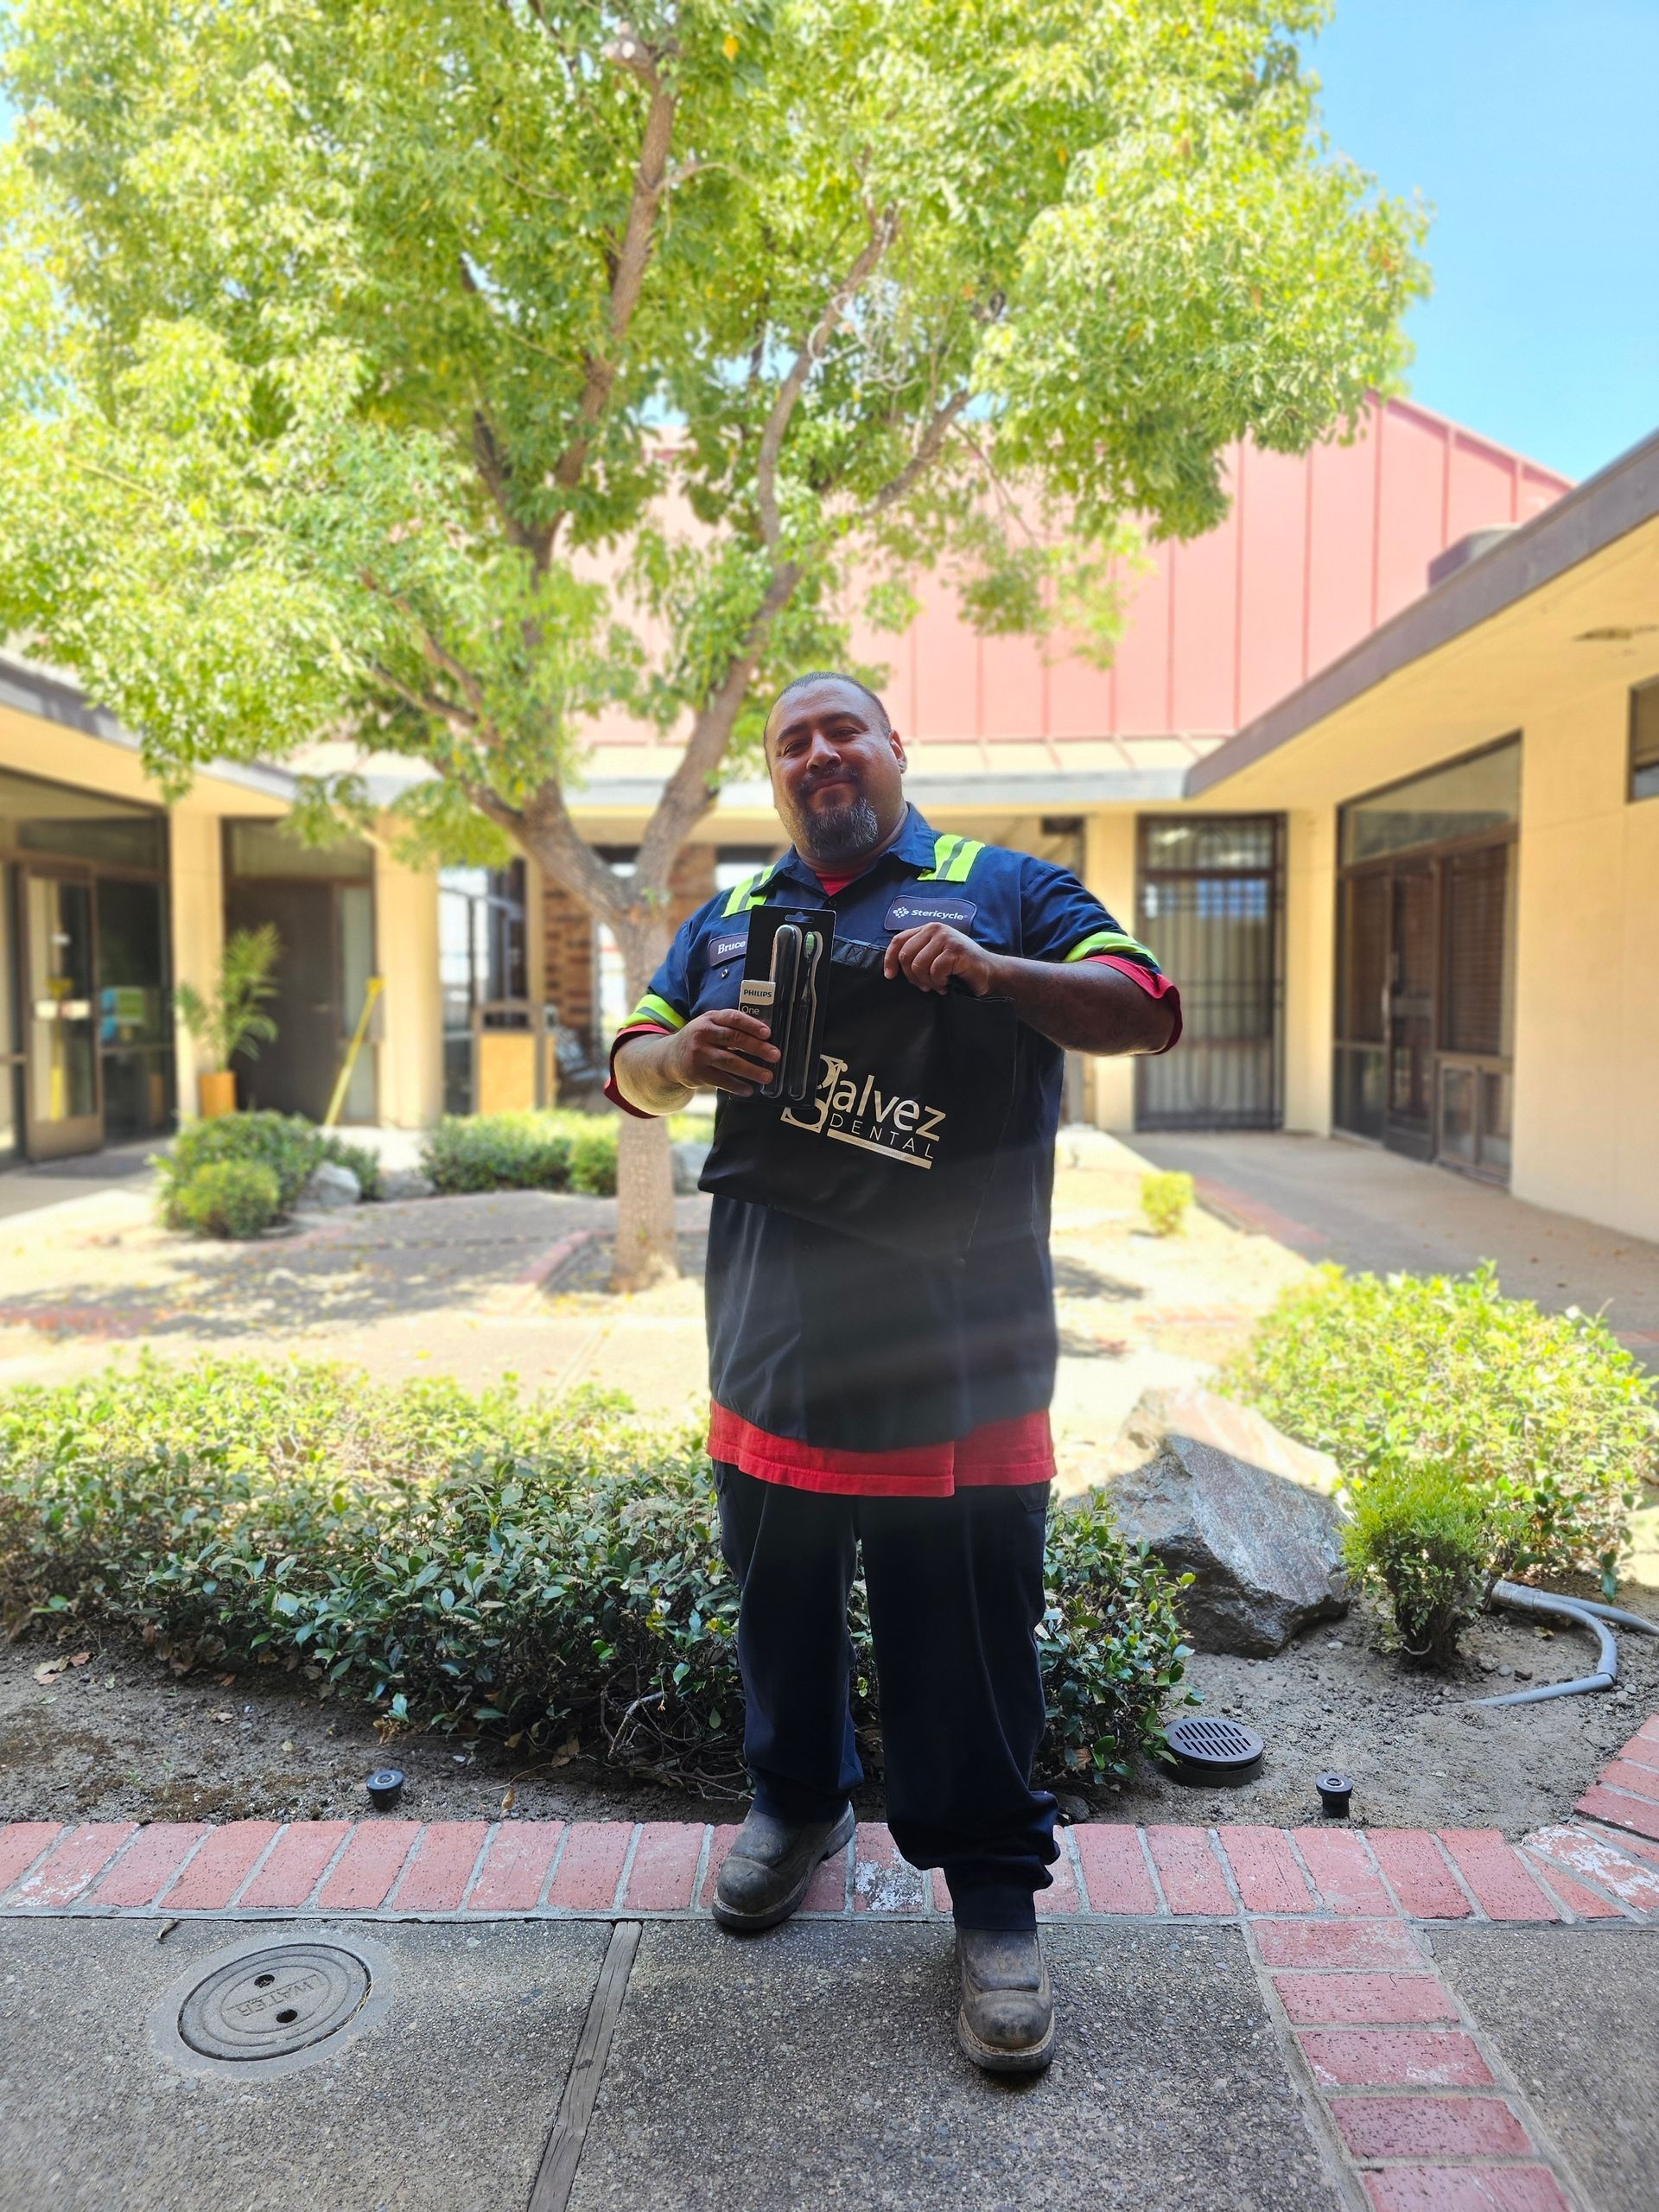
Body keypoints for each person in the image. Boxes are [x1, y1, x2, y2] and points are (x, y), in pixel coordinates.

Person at [608, 671, 1180, 2072]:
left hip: (959, 1359)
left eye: (840, 730)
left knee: (969, 1641)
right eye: (792, 742)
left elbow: (1144, 1007)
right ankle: (796, 1808)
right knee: (781, 1609)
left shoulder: (1005, 886)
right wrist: (679, 1053)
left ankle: (992, 1900)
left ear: (893, 750)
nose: (818, 757)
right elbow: (627, 1062)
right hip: (773, 1349)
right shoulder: (730, 915)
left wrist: (996, 977)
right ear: (778, 775)